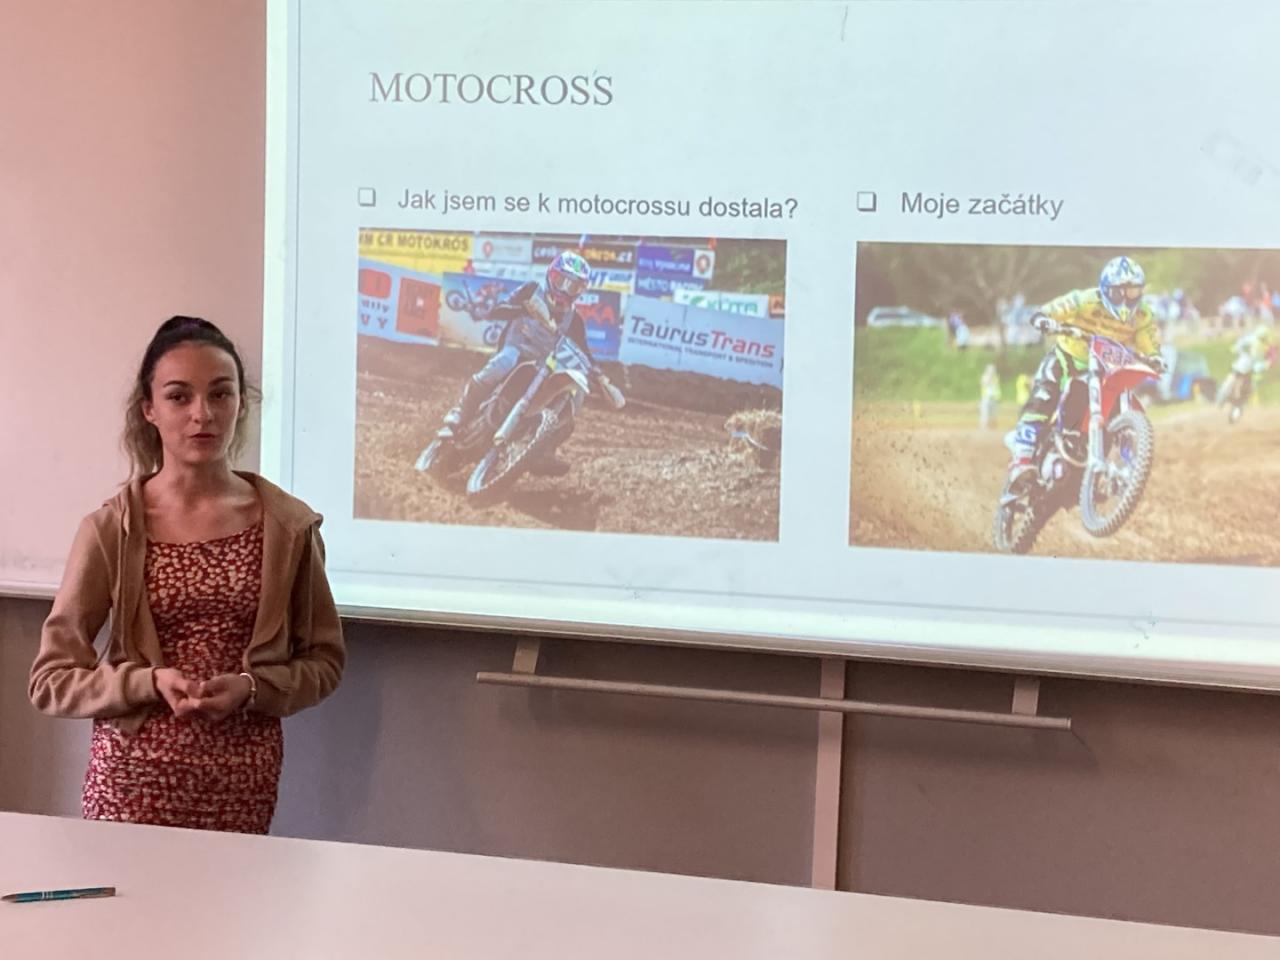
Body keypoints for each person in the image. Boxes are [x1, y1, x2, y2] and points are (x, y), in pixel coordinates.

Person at [29, 316, 345, 834]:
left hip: (241, 778)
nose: (203, 414)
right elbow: (52, 680)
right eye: (179, 397)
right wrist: (148, 682)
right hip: (131, 779)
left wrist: (252, 688)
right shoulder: (111, 528)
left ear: (241, 403)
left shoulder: (288, 527)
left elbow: (324, 662)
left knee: (234, 892)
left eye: (220, 394)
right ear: (149, 409)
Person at [441, 250, 625, 475]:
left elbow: (585, 354)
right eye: (562, 282)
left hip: (544, 367)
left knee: (575, 392)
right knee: (504, 361)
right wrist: (523, 308)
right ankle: (460, 413)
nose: (566, 291)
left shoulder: (574, 320)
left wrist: (602, 379)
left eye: (574, 287)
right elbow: (496, 311)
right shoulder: (531, 291)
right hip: (517, 350)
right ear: (551, 276)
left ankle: (543, 450)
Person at [1005, 256, 1163, 483]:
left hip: (1107, 370)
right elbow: (1052, 310)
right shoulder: (1085, 300)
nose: (1126, 299)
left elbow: (1149, 342)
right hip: (1068, 359)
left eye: (1132, 292)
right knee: (1044, 396)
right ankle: (1022, 456)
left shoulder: (1143, 315)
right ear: (1106, 289)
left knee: (1119, 400)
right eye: (1119, 292)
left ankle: (1121, 465)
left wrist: (1155, 357)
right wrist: (1044, 318)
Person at [979, 363, 1001, 429]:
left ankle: (992, 426)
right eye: (991, 370)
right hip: (986, 398)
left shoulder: (995, 378)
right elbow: (983, 384)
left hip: (994, 398)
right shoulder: (984, 377)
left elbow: (996, 388)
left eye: (993, 370)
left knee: (994, 413)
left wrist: (998, 397)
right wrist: (989, 378)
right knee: (985, 413)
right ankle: (984, 426)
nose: (992, 371)